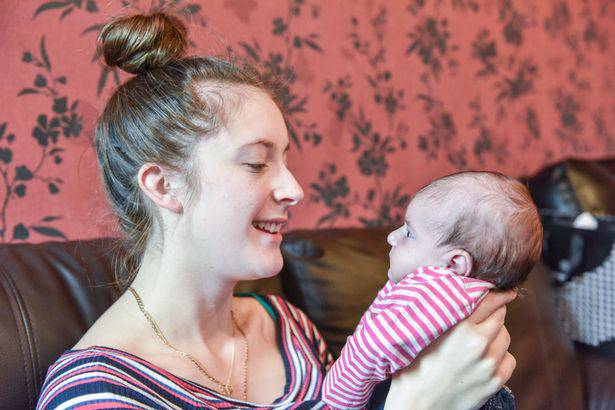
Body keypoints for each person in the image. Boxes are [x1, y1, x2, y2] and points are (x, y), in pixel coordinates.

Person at [36, 13, 517, 410]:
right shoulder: (97, 393)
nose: (294, 189)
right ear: (164, 185)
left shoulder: (287, 326)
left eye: (285, 160)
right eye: (255, 163)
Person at [322, 172, 543, 409]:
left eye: (409, 233)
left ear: (455, 264)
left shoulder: (435, 288)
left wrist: (338, 399)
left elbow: (374, 346)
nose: (392, 237)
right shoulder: (473, 293)